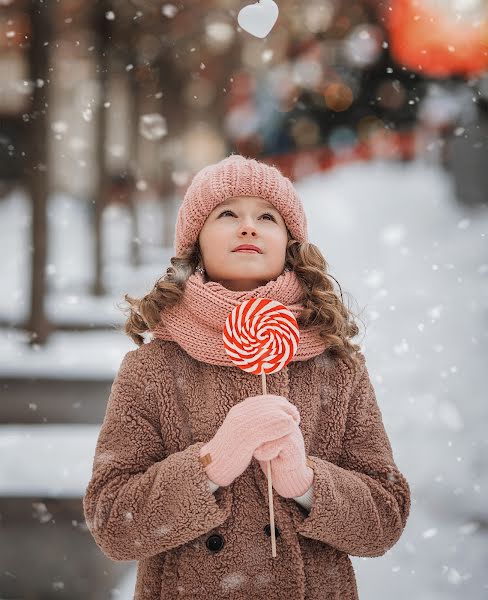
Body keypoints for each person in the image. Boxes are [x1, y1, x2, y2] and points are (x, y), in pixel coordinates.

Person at [83, 154, 411, 599]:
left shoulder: (337, 367)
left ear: (290, 244)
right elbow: (111, 524)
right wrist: (213, 463)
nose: (248, 226)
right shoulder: (152, 368)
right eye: (227, 214)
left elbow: (385, 519)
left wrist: (306, 481)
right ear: (195, 242)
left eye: (267, 217)